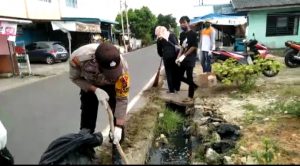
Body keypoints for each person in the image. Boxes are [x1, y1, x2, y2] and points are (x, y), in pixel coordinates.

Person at [69, 42, 130, 164]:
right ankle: (87, 151)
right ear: (96, 62)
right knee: (87, 117)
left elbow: (122, 99)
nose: (111, 76)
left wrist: (118, 126)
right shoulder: (78, 59)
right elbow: (75, 78)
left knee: (117, 120)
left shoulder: (123, 68)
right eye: (109, 73)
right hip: (90, 84)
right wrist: (95, 90)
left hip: (112, 87)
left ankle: (116, 152)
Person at [175, 16, 199, 102]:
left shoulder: (193, 34)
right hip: (183, 58)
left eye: (184, 22)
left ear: (188, 23)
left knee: (189, 77)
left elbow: (194, 46)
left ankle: (190, 96)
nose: (182, 24)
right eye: (181, 23)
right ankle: (194, 86)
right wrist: (178, 57)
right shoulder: (182, 34)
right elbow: (182, 47)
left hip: (190, 58)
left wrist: (185, 55)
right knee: (179, 76)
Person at [155, 25, 180, 94]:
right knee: (175, 72)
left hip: (166, 57)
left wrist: (162, 55)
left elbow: (159, 50)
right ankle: (177, 88)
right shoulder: (172, 35)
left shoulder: (159, 38)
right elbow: (177, 44)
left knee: (169, 73)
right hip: (175, 56)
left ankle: (171, 90)